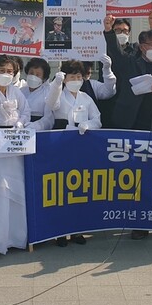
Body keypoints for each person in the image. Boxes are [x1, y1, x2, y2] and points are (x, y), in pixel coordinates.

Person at [103, 16, 152, 240]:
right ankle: (139, 224)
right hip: (136, 127)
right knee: (138, 178)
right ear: (142, 47)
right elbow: (116, 55)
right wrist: (108, 31)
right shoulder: (132, 64)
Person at [0, 54, 56, 255]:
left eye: (10, 71)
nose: (6, 75)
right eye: (2, 70)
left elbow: (25, 111)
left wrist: (21, 123)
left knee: (14, 190)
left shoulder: (16, 92)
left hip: (12, 142)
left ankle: (14, 237)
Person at [50, 61, 103, 246]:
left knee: (79, 188)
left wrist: (88, 124)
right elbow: (51, 104)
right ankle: (60, 230)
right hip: (61, 146)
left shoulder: (86, 98)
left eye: (79, 77)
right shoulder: (58, 94)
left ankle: (77, 230)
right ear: (65, 78)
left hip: (81, 146)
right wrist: (56, 84)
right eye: (72, 77)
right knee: (61, 188)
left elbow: (97, 119)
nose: (76, 80)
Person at [20, 57, 53, 123]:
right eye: (31, 73)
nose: (33, 76)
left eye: (38, 75)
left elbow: (48, 118)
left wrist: (38, 126)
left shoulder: (48, 93)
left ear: (44, 78)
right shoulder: (20, 91)